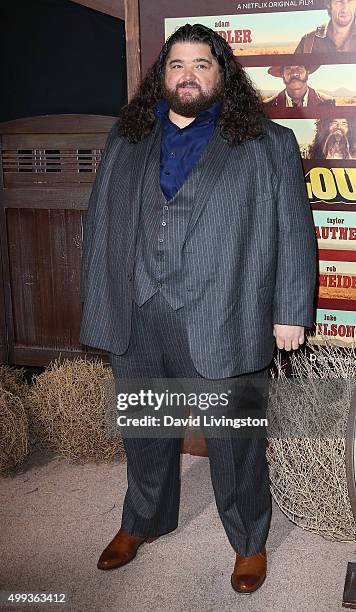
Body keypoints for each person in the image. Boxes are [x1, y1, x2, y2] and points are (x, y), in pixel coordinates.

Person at [79, 24, 317, 595]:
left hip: (225, 309)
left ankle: (249, 541)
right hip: (139, 306)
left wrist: (290, 311)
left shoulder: (267, 143)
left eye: (201, 64)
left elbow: (293, 232)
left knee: (235, 441)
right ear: (161, 76)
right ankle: (143, 520)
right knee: (145, 427)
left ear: (222, 73)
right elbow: (102, 223)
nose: (187, 75)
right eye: (176, 64)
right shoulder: (128, 137)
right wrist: (100, 303)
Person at [264, 65, 335, 107]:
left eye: (299, 68)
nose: (294, 74)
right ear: (282, 74)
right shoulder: (269, 104)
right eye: (288, 69)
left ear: (307, 72)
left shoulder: (328, 102)